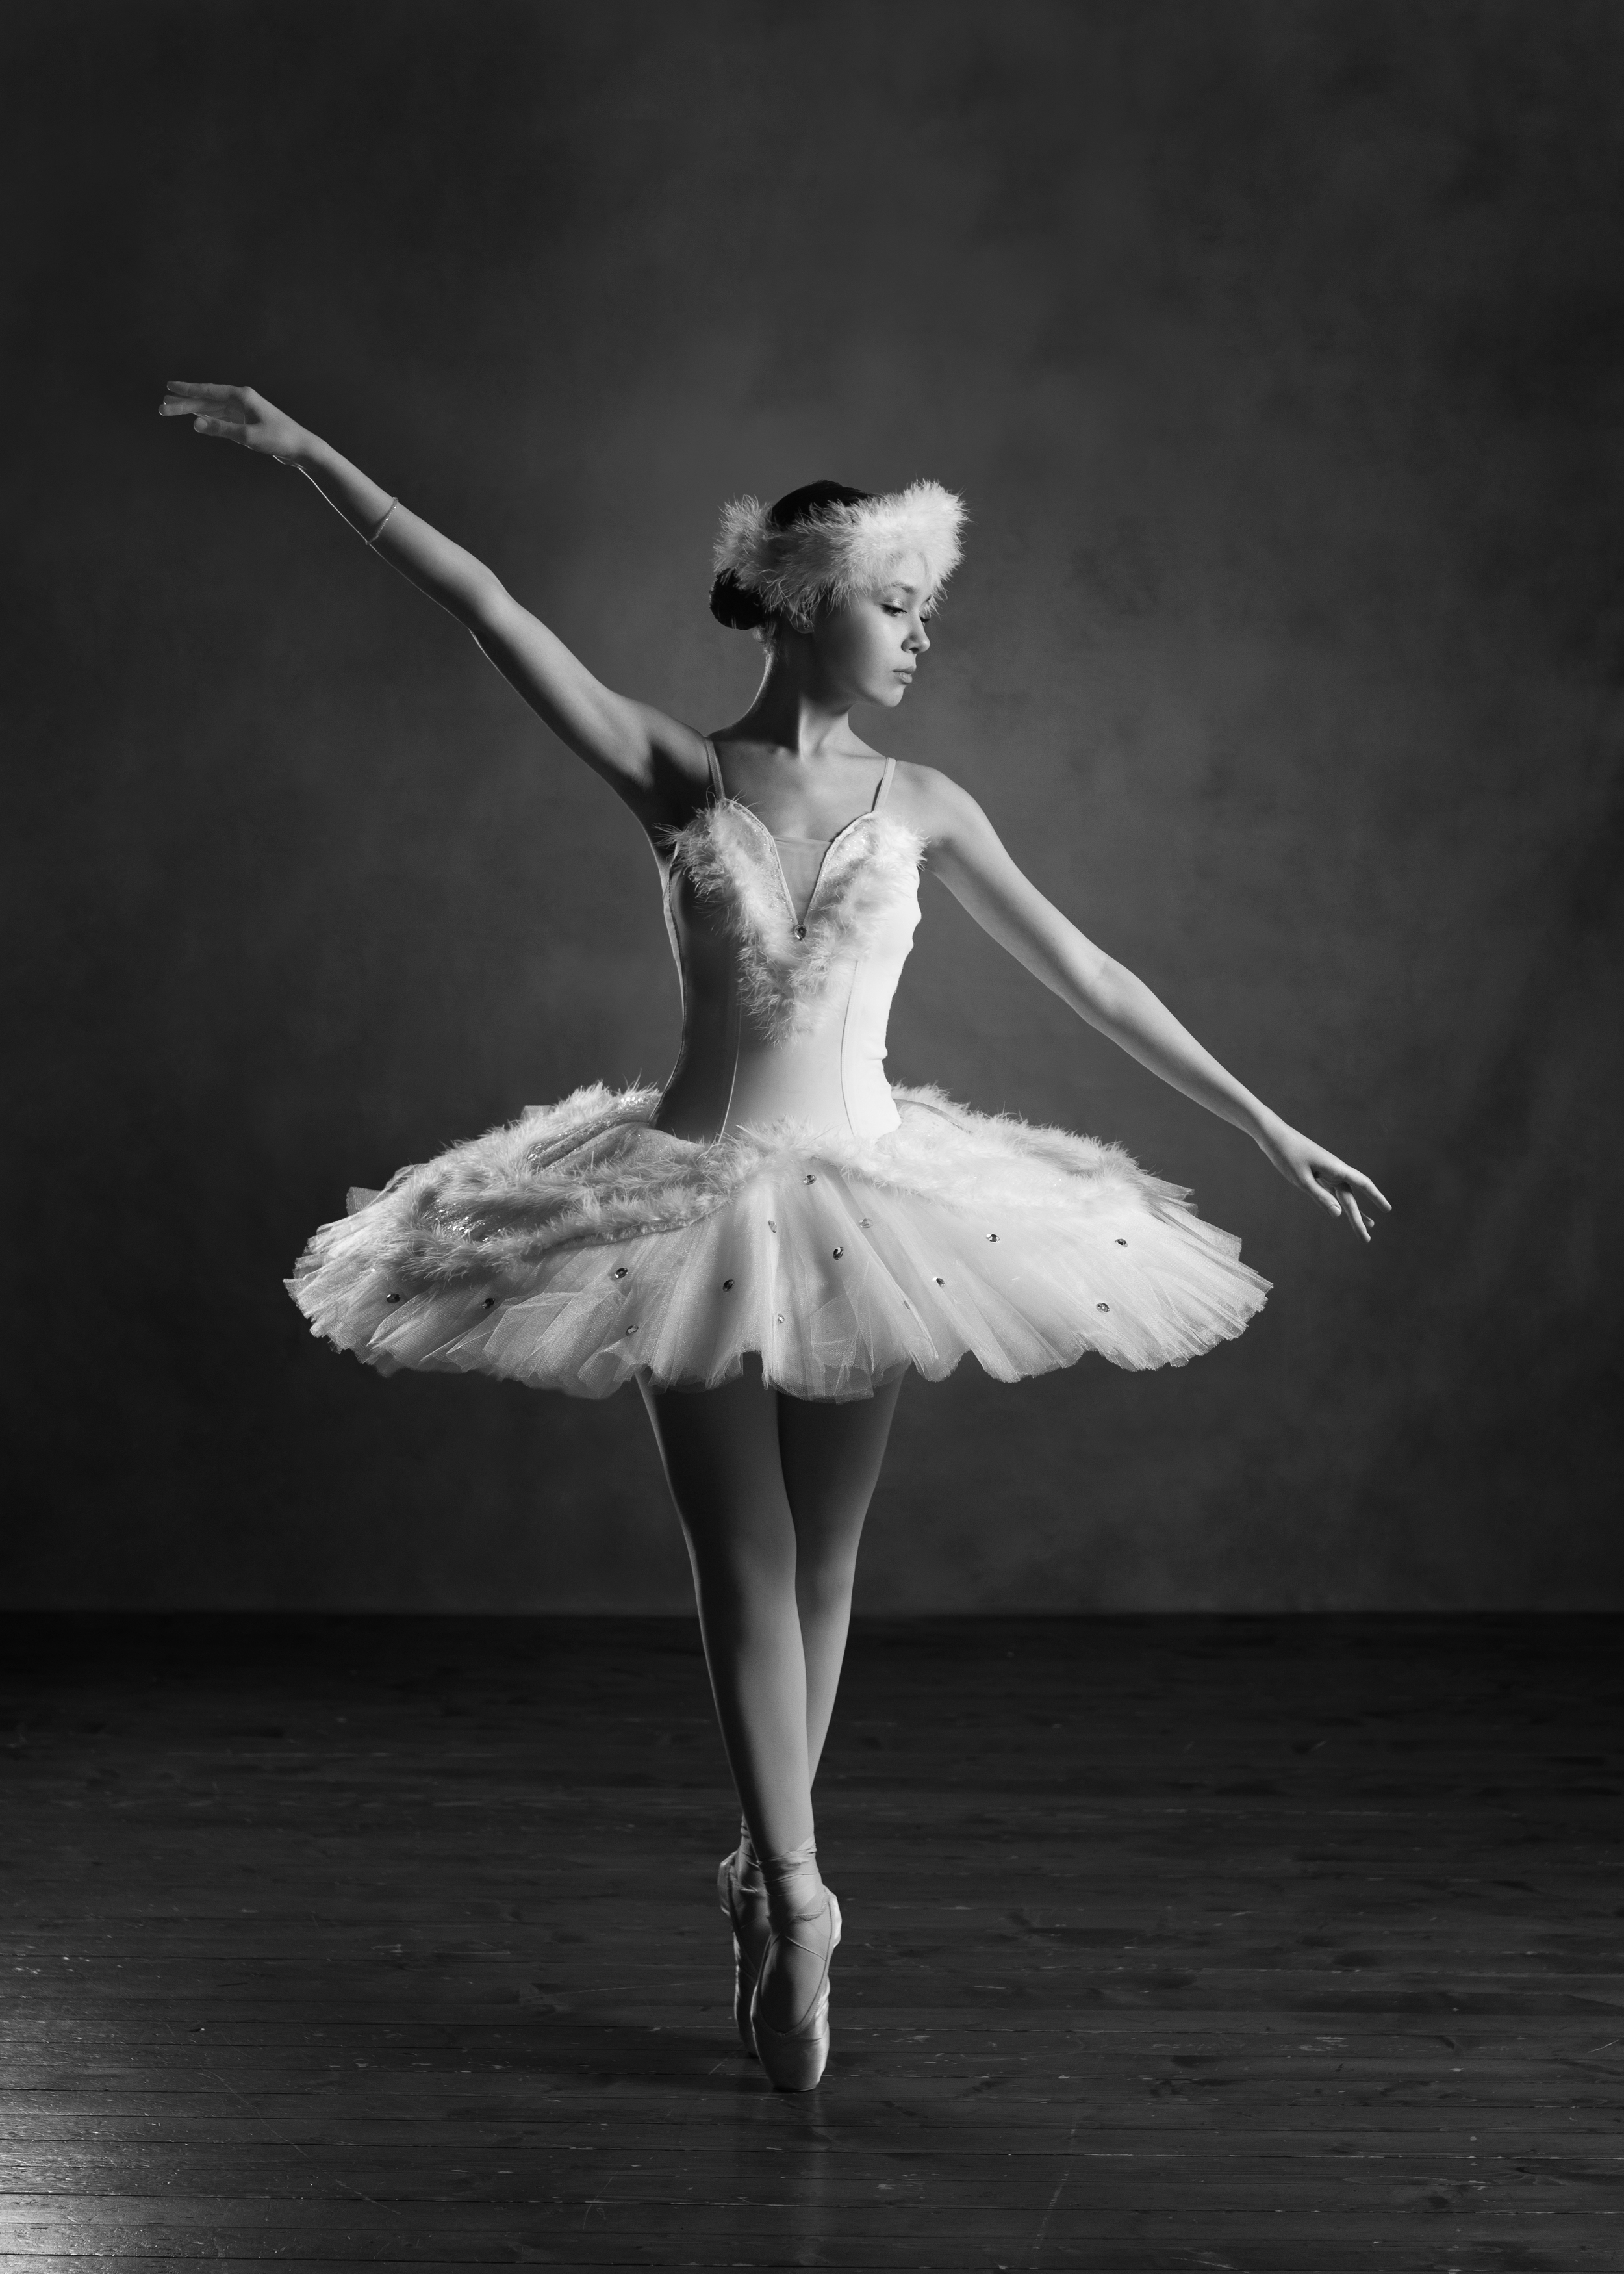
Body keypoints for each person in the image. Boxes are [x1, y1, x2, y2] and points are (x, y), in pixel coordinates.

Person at [161, 381, 1390, 2091]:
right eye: (898, 601)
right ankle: (800, 1897)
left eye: (926, 605)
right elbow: (489, 606)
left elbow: (1092, 973)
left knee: (822, 1560)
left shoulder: (930, 802)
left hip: (870, 1203)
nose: (922, 634)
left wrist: (1262, 1120)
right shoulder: (679, 771)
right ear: (807, 601)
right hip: (684, 1200)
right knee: (743, 1554)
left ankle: (765, 1875)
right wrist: (311, 456)